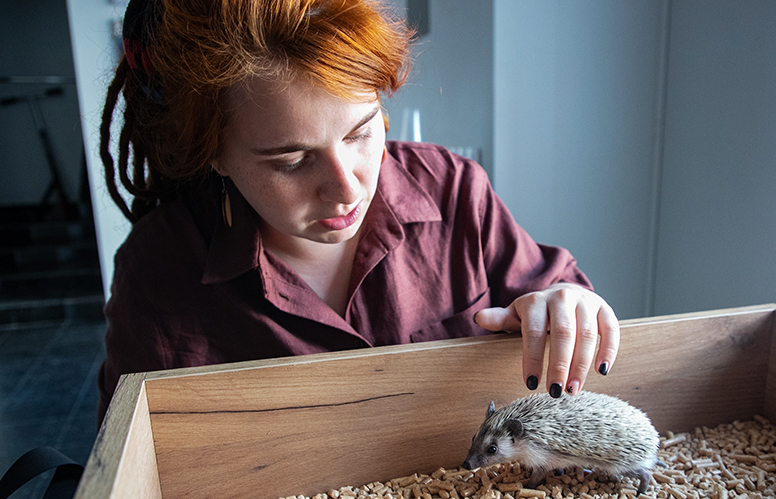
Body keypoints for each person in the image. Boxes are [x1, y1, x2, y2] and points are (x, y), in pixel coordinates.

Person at [97, 0, 620, 423]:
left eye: (362, 132)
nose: (346, 188)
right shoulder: (158, 274)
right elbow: (134, 463)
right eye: (292, 160)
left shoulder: (455, 191)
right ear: (211, 153)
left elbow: (557, 298)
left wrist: (568, 305)